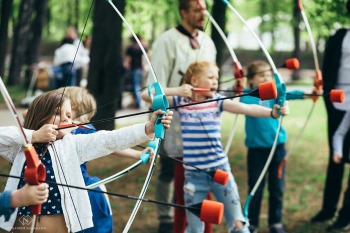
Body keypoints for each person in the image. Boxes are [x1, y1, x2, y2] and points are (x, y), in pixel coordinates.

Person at [142, 61, 289, 233]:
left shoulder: (218, 101)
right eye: (210, 77)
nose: (215, 82)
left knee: (237, 222)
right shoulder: (179, 101)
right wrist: (176, 90)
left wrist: (273, 113)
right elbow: (147, 95)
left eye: (217, 79)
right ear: (195, 81)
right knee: (195, 228)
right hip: (193, 175)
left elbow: (246, 108)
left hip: (221, 171)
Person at [0, 90, 173, 232]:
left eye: (68, 115)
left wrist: (147, 128)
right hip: (23, 225)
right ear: (40, 115)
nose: (66, 119)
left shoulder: (73, 144)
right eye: (57, 113)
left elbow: (108, 140)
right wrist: (33, 135)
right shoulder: (21, 147)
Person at [147, 0, 216, 231]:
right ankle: (167, 219)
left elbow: (211, 82)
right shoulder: (167, 41)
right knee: (170, 168)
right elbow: (149, 91)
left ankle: (197, 219)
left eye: (204, 9)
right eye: (197, 9)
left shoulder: (208, 42)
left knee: (200, 169)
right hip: (172, 120)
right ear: (183, 12)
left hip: (200, 121)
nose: (202, 14)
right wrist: (178, 91)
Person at [240, 60, 307, 233]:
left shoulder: (275, 93)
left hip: (277, 148)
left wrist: (309, 94)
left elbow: (289, 95)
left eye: (269, 75)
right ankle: (251, 222)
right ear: (251, 80)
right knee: (255, 186)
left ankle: (275, 222)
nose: (266, 78)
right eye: (262, 75)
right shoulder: (246, 95)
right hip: (256, 150)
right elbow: (246, 103)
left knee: (277, 187)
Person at [310, 1, 350, 231]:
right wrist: (327, 98)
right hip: (337, 106)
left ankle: (345, 216)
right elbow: (327, 71)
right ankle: (328, 209)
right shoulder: (339, 37)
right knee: (335, 159)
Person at [123, 35, 148, 109]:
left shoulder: (131, 48)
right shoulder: (142, 48)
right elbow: (146, 57)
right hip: (141, 69)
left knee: (135, 86)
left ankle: (138, 103)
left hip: (134, 69)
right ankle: (138, 102)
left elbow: (127, 60)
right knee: (139, 86)